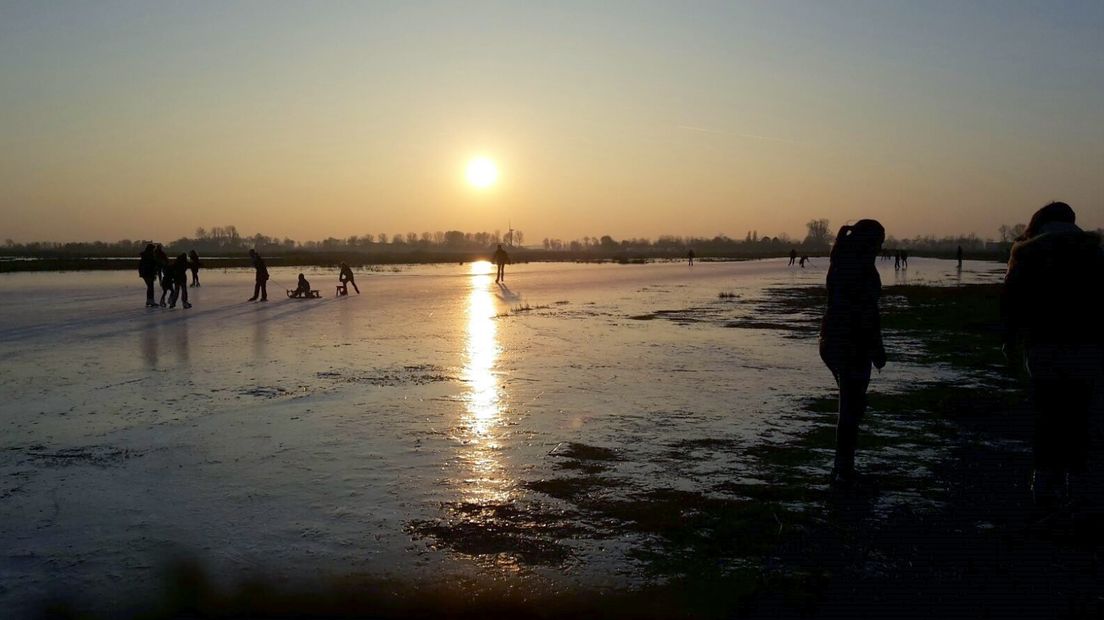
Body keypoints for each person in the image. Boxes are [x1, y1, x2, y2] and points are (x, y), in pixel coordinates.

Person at [1002, 202, 1104, 506]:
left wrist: (1010, 337)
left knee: (1047, 411)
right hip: (1087, 344)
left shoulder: (1026, 253)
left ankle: (1045, 480)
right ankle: (1077, 479)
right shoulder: (1094, 252)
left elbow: (1012, 301)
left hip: (1043, 343)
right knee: (1079, 412)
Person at [819, 219, 887, 487]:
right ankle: (844, 469)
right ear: (868, 241)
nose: (881, 248)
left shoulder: (841, 261)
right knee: (851, 407)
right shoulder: (859, 267)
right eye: (879, 243)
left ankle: (843, 467)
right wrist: (876, 348)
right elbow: (866, 312)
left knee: (851, 404)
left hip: (832, 340)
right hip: (850, 342)